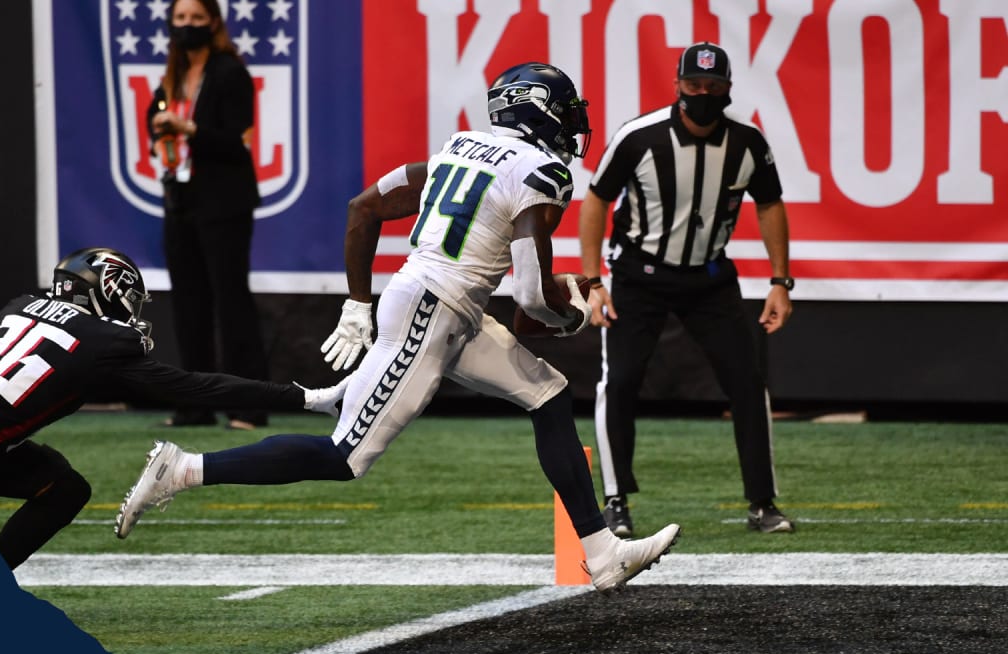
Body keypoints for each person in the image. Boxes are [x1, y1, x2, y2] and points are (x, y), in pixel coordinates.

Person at [116, 63, 682, 593]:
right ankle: (184, 468)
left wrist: (359, 303)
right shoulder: (541, 172)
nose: (572, 126)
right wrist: (570, 316)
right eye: (566, 111)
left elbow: (363, 208)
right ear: (539, 111)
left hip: (440, 307)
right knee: (343, 457)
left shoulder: (459, 149)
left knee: (550, 397)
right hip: (435, 312)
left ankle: (602, 552)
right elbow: (532, 295)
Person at [0, 248, 346, 570]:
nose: (133, 312)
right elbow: (197, 387)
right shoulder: (103, 341)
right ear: (104, 291)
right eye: (127, 298)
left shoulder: (19, 304)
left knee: (64, 487)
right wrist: (299, 396)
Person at [577, 42, 795, 537]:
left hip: (709, 278)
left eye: (713, 87)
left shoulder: (748, 144)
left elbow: (770, 205)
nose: (702, 94)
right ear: (677, 86)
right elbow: (596, 201)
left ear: (727, 89)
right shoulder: (638, 137)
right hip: (638, 276)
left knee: (747, 384)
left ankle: (763, 503)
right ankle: (616, 503)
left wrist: (780, 281)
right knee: (621, 382)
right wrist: (593, 281)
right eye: (694, 86)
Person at [148, 0, 269, 431]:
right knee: (188, 304)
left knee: (231, 300)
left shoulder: (229, 72)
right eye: (180, 19)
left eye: (196, 18)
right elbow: (153, 120)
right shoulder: (172, 74)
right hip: (180, 199)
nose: (187, 26)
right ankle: (193, 405)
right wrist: (160, 129)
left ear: (213, 23)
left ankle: (249, 405)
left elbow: (237, 142)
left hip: (225, 200)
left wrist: (189, 130)